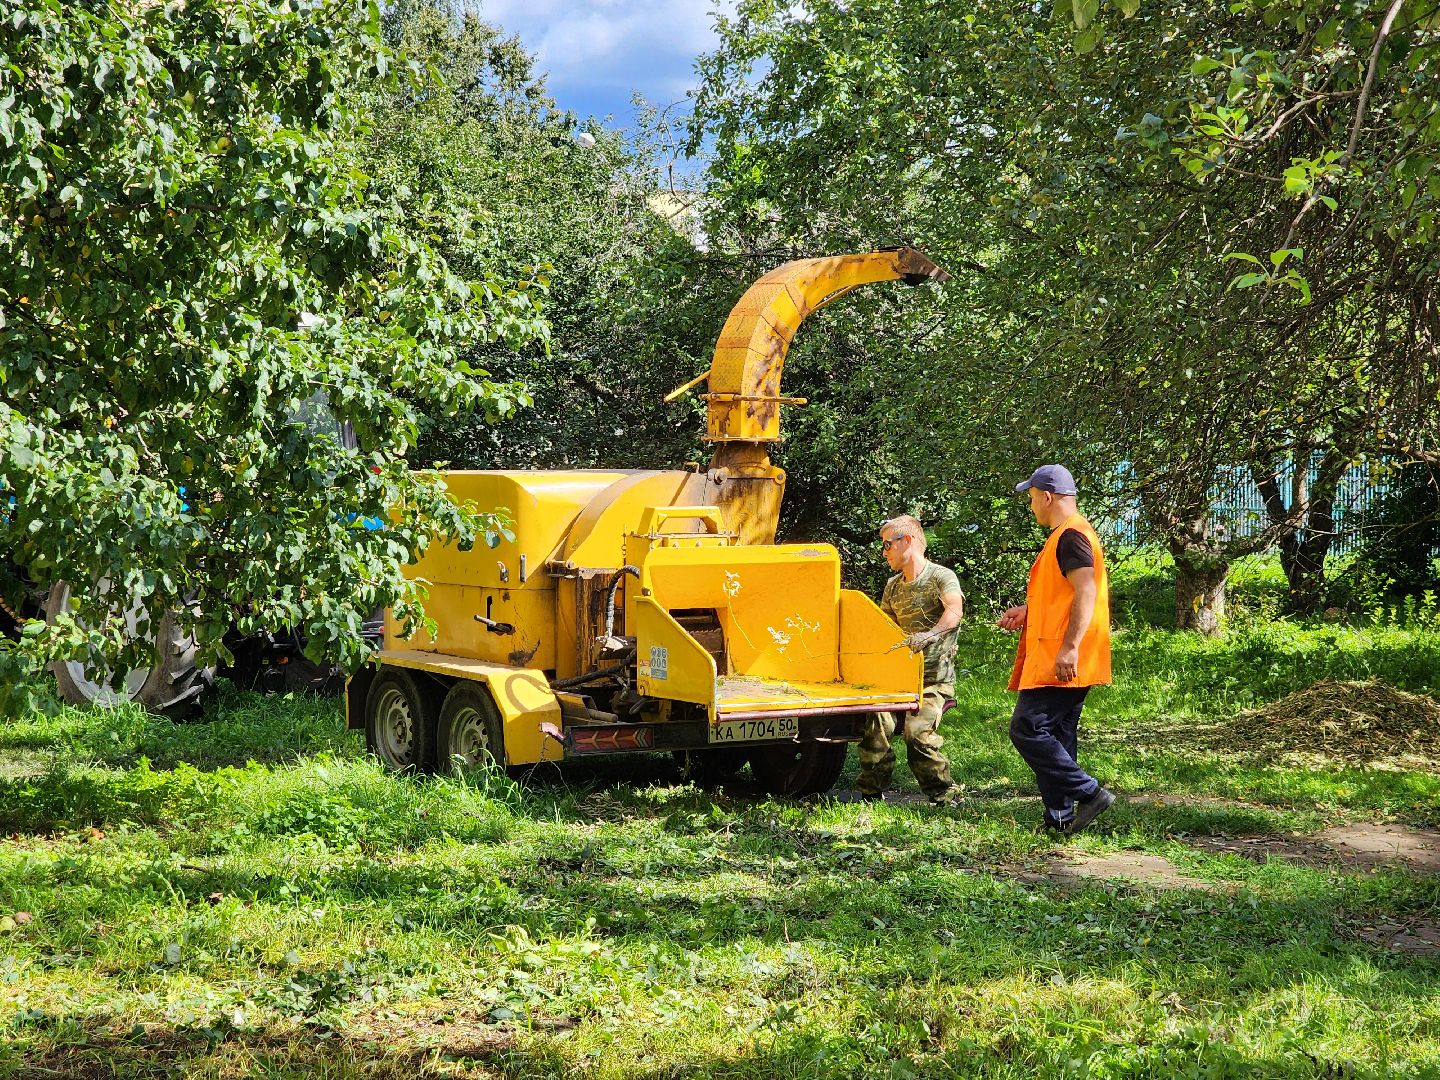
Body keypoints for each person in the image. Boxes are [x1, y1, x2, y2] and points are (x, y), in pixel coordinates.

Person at [998, 464, 1115, 835]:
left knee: (1027, 729)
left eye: (1032, 499)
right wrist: (1028, 610)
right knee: (1059, 735)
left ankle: (1090, 792)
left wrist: (1070, 648)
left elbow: (1086, 591)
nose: (1032, 506)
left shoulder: (1071, 536)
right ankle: (1059, 819)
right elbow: (1063, 594)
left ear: (1047, 497)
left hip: (1062, 658)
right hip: (1066, 655)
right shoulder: (1068, 534)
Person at [855, 515, 965, 805]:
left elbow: (954, 610)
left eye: (887, 544)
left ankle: (944, 795)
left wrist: (930, 634)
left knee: (916, 734)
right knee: (876, 725)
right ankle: (870, 795)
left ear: (908, 541)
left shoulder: (941, 577)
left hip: (933, 681)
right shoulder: (893, 586)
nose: (884, 552)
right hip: (898, 680)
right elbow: (884, 629)